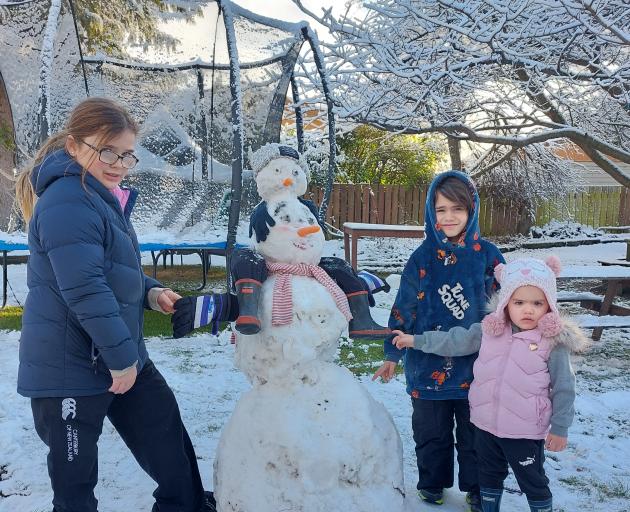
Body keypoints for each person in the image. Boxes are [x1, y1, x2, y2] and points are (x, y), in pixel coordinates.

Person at [15, 97, 215, 512]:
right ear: (74, 146)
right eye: (107, 150)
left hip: (120, 355)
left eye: (126, 154)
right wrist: (121, 359)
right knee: (75, 491)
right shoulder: (66, 201)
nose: (119, 163)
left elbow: (110, 270)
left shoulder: (101, 196)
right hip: (71, 369)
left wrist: (150, 291)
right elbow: (85, 289)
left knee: (170, 450)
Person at [392, 256, 589, 512]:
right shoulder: (489, 330)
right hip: (485, 425)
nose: (527, 310)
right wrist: (416, 340)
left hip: (524, 431)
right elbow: (455, 340)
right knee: (488, 475)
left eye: (537, 303)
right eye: (519, 302)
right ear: (506, 302)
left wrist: (560, 428)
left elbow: (565, 387)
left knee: (532, 480)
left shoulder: (552, 343)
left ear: (549, 305)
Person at [373, 171, 505, 511]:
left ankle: (478, 488)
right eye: (441, 209)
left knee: (476, 436)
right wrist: (392, 353)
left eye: (457, 209)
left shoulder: (488, 257)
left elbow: (508, 307)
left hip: (478, 369)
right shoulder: (421, 258)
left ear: (472, 210)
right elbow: (403, 308)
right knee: (431, 434)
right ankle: (431, 484)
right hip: (426, 367)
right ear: (431, 212)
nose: (448, 217)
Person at [170, 144, 391, 340]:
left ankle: (361, 320)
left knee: (339, 266)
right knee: (245, 257)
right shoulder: (265, 208)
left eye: (295, 173)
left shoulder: (307, 207)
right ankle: (248, 310)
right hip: (271, 270)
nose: (288, 179)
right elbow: (261, 234)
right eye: (279, 171)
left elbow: (315, 229)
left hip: (309, 268)